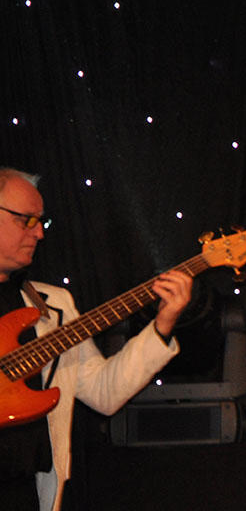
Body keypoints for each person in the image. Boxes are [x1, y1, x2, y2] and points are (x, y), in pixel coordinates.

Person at [0, 167, 193, 511]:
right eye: (26, 220)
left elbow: (104, 392)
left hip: (22, 493)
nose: (39, 233)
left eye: (41, 221)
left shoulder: (52, 307)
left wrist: (163, 324)